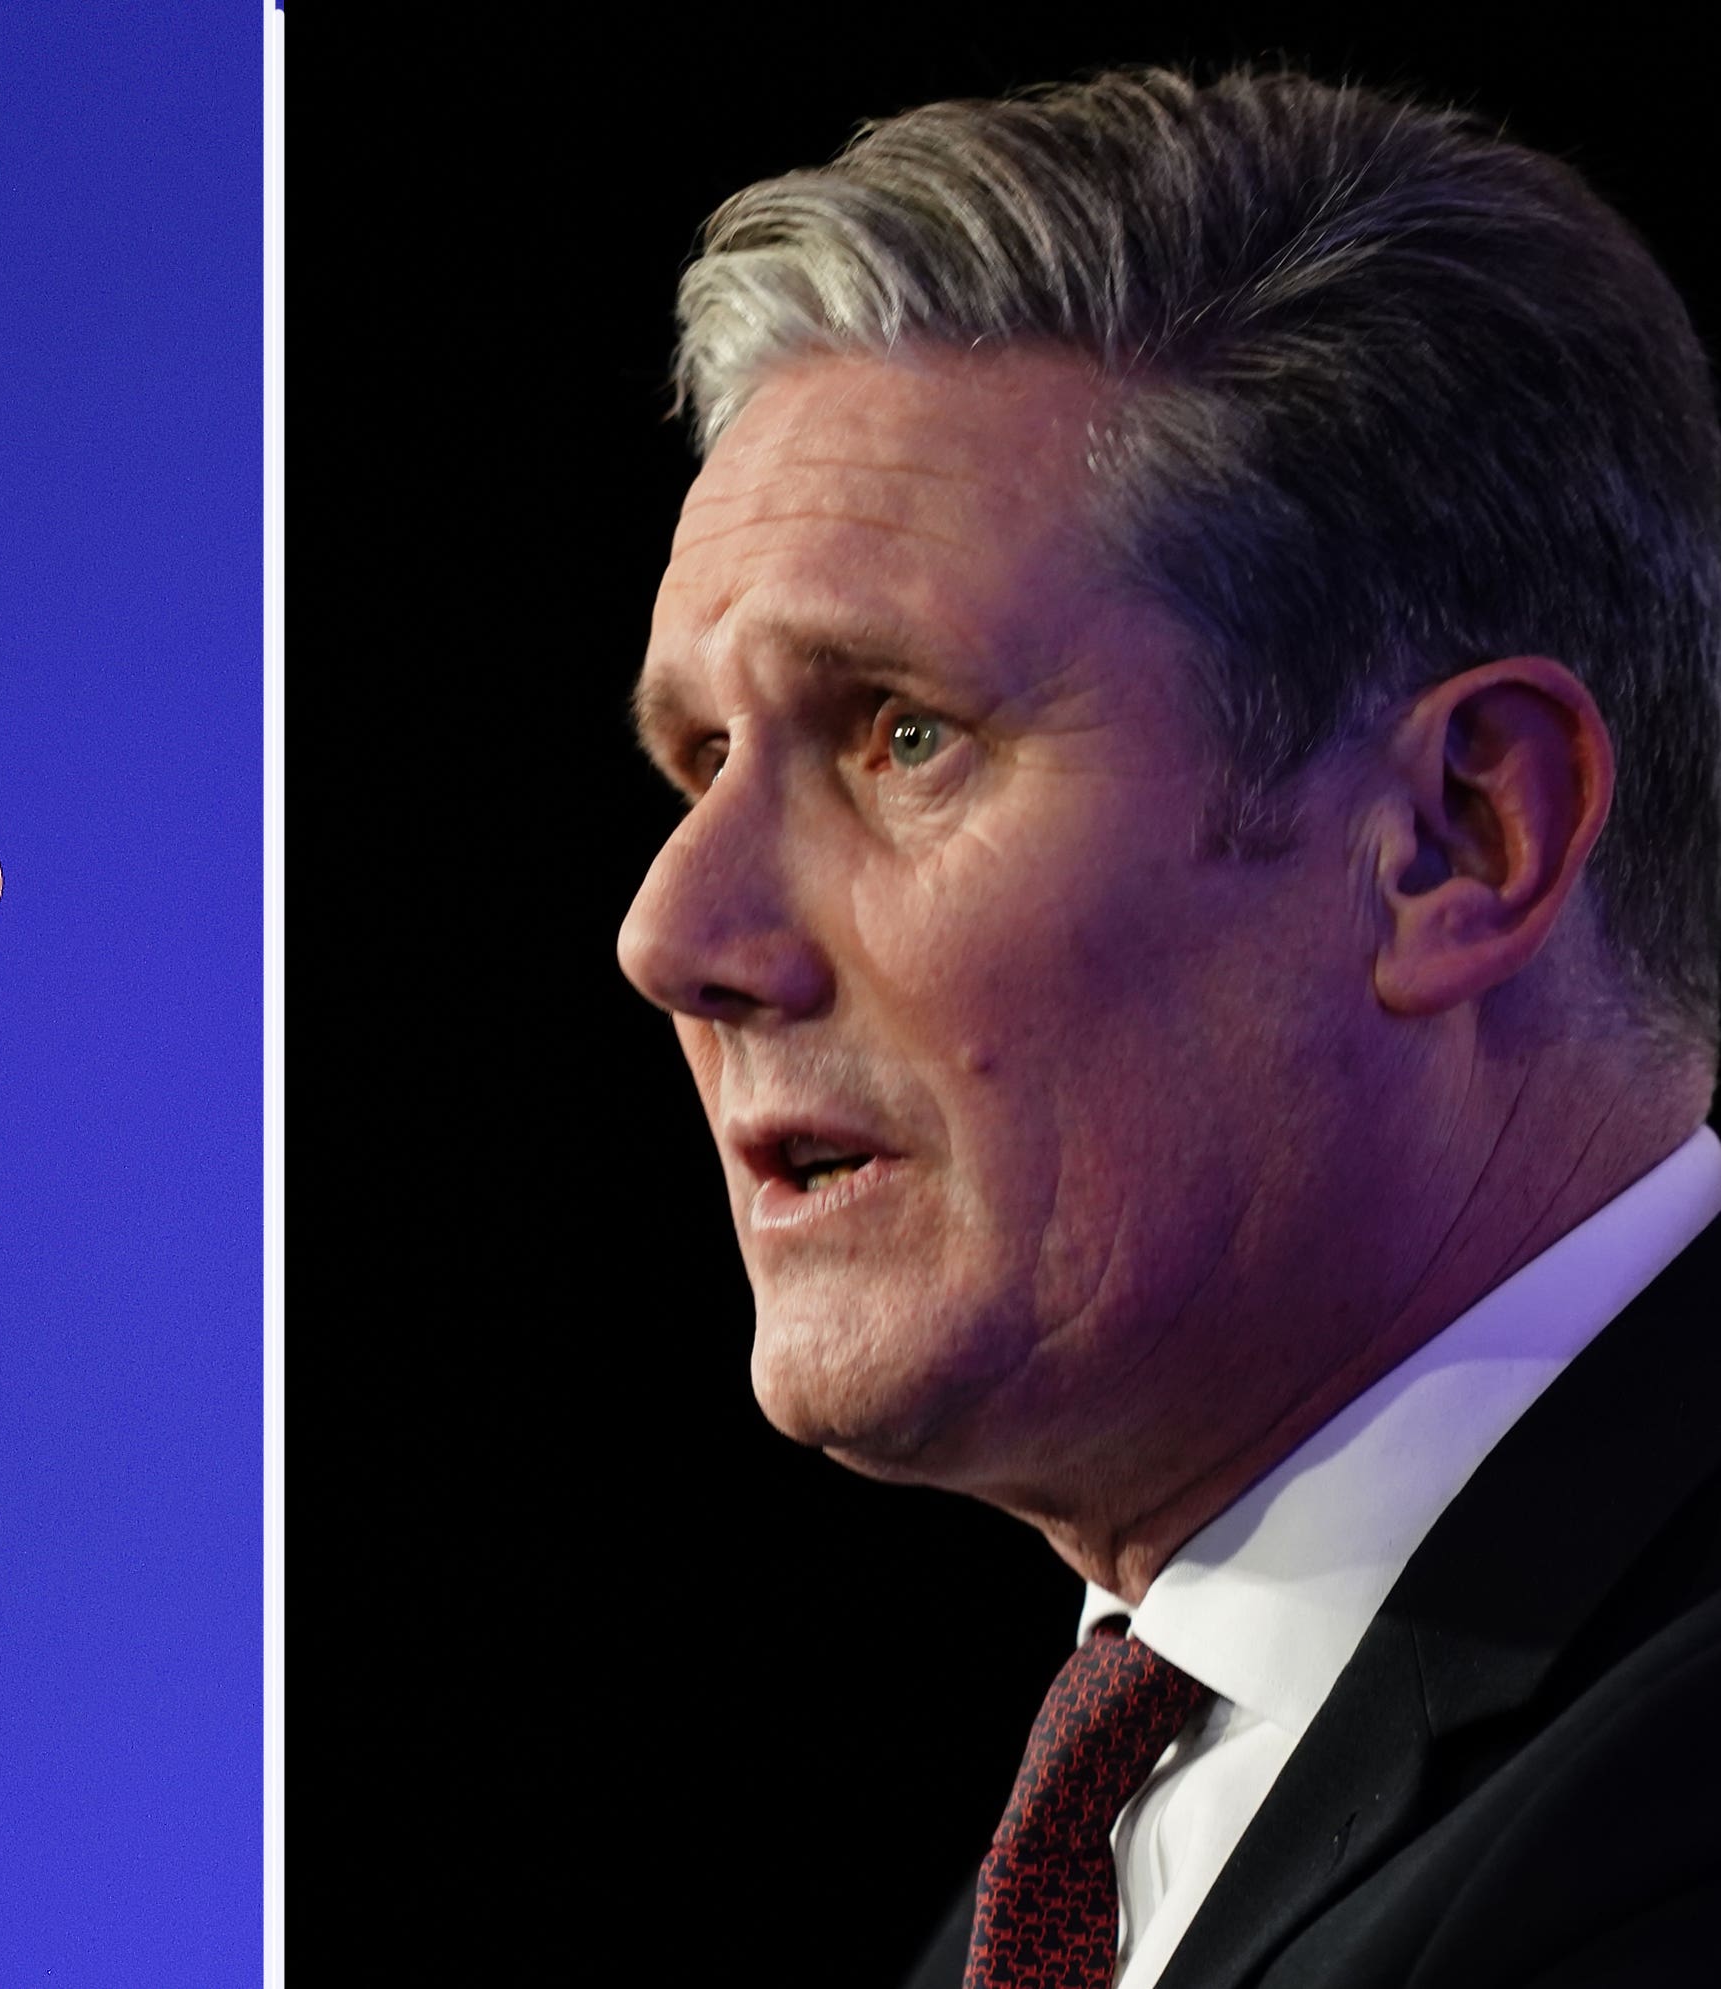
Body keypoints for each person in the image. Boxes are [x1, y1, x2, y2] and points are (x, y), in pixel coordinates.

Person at [616, 66, 1721, 1988]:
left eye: (899, 733)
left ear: (1462, 835)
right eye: (697, 761)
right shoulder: (1094, 1850)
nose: (675, 934)